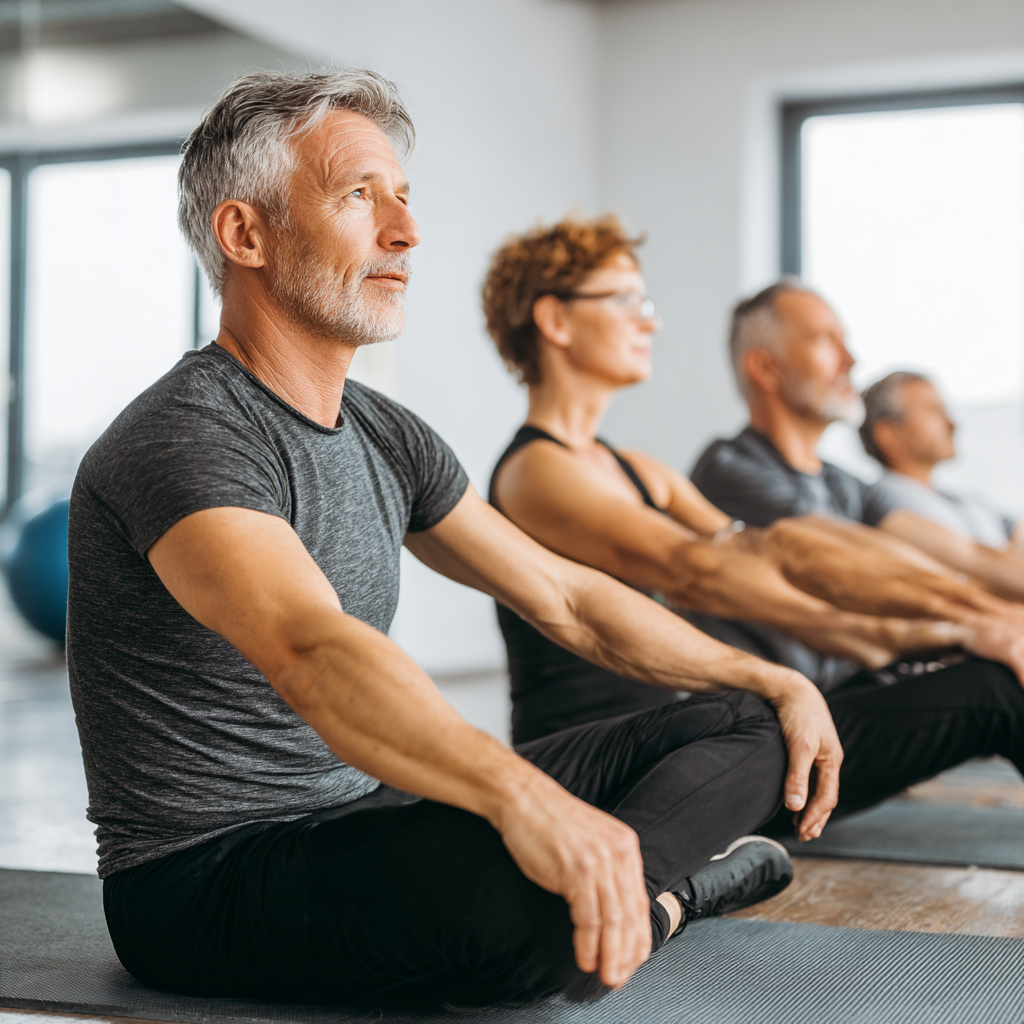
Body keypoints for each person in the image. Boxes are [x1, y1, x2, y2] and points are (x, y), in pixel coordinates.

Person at [65, 70, 841, 1011]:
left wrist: (775, 677)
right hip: (211, 879)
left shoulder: (385, 432)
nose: (405, 232)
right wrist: (525, 798)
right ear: (246, 235)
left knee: (746, 717)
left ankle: (621, 897)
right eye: (359, 196)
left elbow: (565, 596)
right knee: (524, 907)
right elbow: (312, 650)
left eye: (403, 197)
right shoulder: (185, 435)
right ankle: (675, 891)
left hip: (373, 814)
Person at [482, 215, 1024, 833]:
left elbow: (765, 550)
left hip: (678, 739)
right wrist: (963, 622)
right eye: (627, 300)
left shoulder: (640, 470)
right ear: (555, 321)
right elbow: (696, 570)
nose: (650, 320)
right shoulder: (538, 471)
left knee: (975, 670)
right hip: (601, 767)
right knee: (981, 694)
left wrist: (973, 622)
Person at [692, 280, 1024, 604]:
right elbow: (863, 559)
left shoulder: (846, 484)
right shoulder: (728, 468)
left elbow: (966, 556)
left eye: (845, 342)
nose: (851, 360)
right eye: (825, 340)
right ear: (765, 367)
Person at [860, 370, 1024, 553]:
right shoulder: (880, 506)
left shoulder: (970, 501)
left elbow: (1016, 531)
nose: (952, 424)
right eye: (934, 412)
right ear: (890, 435)